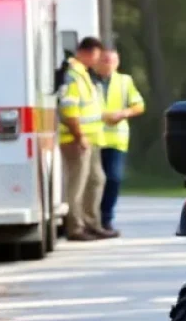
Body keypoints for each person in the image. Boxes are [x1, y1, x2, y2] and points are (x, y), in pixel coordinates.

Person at [58, 37, 115, 241]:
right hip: (76, 139)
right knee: (77, 185)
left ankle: (92, 223)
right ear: (87, 53)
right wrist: (79, 136)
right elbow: (68, 109)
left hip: (90, 139)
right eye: (96, 56)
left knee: (96, 180)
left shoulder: (82, 74)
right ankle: (75, 227)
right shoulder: (73, 75)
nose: (96, 61)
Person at [96, 48, 145, 236]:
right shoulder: (91, 81)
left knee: (114, 179)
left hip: (116, 140)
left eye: (111, 61)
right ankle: (93, 219)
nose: (108, 64)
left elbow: (139, 105)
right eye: (104, 60)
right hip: (94, 138)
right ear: (99, 62)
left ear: (117, 63)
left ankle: (106, 218)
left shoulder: (125, 81)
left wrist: (123, 113)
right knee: (94, 183)